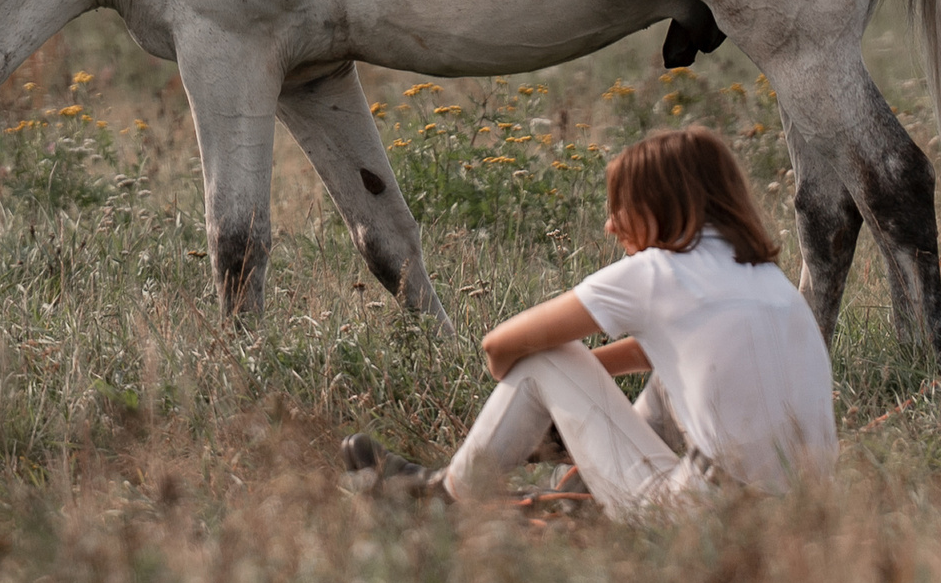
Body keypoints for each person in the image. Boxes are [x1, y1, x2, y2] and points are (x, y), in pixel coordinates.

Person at [343, 125, 837, 515]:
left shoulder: (656, 272)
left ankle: (441, 500)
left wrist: (543, 389)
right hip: (801, 515)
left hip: (706, 514)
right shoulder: (764, 277)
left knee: (540, 361)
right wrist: (583, 384)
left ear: (658, 206)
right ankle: (576, 494)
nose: (610, 223)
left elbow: (500, 347)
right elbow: (669, 354)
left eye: (621, 205)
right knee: (661, 379)